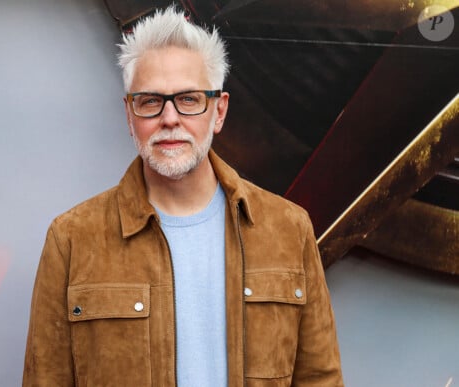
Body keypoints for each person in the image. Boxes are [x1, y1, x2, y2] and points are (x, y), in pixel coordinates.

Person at [23, 6, 343, 387]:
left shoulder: (289, 229)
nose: (170, 118)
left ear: (219, 111)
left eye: (189, 99)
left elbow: (320, 380)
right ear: (130, 116)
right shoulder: (72, 240)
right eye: (150, 101)